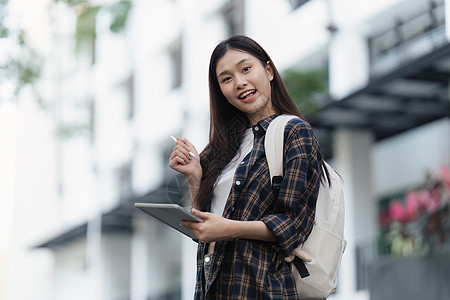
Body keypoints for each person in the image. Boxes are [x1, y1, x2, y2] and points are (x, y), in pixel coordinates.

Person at [169, 35, 325, 299]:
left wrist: (229, 227)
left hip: (262, 289)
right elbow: (206, 229)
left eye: (246, 69)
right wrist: (195, 177)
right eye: (226, 79)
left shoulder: (294, 132)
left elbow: (293, 225)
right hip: (213, 288)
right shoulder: (221, 150)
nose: (239, 83)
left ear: (268, 70)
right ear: (221, 91)